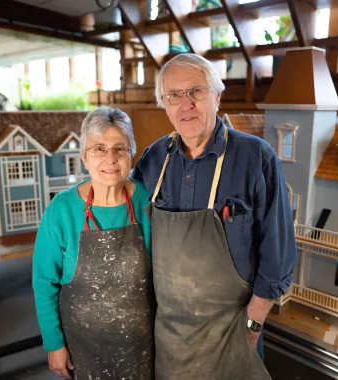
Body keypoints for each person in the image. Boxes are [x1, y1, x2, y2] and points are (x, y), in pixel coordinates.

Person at [134, 53, 298, 379]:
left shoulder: (255, 158)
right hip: (171, 338)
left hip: (233, 331)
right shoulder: (153, 161)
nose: (186, 104)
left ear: (217, 96)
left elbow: (278, 254)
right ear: (164, 104)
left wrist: (252, 325)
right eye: (174, 95)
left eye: (196, 91)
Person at [33, 107, 154, 379]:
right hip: (82, 348)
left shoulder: (147, 201)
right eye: (99, 148)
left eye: (119, 148)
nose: (110, 158)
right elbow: (44, 282)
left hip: (144, 346)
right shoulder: (61, 210)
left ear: (131, 154)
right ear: (84, 158)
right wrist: (54, 344)